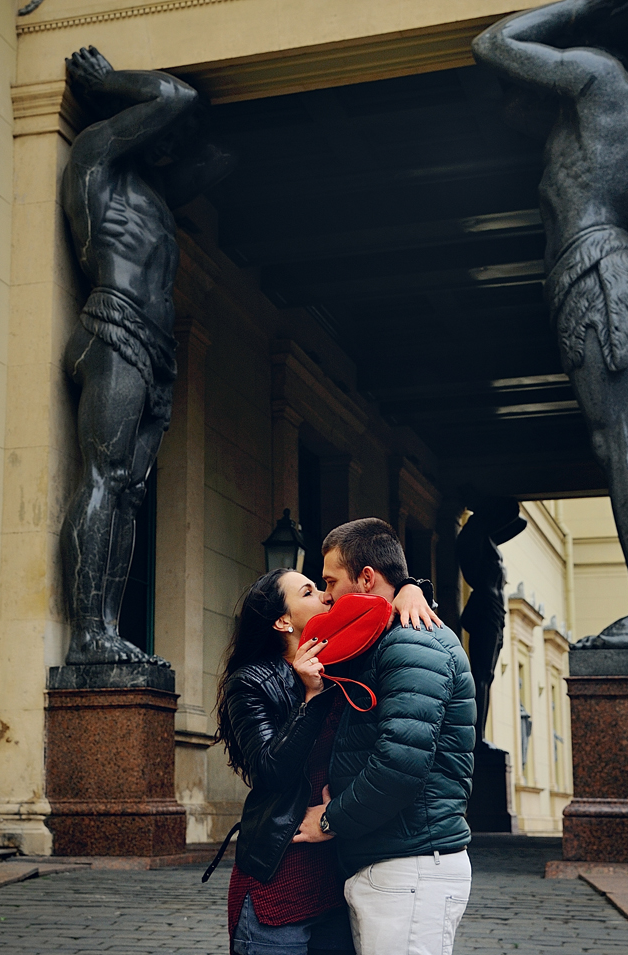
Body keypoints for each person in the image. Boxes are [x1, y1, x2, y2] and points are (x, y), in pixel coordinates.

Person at [473, 0, 628, 649]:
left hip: (595, 268)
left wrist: (578, 8)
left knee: (618, 440)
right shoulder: (605, 103)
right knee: (620, 439)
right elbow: (514, 106)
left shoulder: (596, 73)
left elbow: (494, 41)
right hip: (602, 266)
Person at [59, 46, 236, 665]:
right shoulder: (96, 159)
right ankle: (86, 633)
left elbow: (223, 153)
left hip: (155, 347)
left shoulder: (159, 197)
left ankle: (106, 630)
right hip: (113, 324)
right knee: (105, 477)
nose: (173, 140)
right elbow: (174, 97)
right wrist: (109, 83)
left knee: (130, 491)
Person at [214, 568, 437, 955]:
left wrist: (410, 589)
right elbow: (270, 770)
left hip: (340, 882)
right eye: (308, 592)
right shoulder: (251, 682)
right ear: (283, 621)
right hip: (278, 880)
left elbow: (393, 623)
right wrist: (311, 698)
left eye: (322, 587)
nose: (324, 596)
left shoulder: (346, 663)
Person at [294, 518, 475, 955]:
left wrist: (330, 818)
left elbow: (400, 764)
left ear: (367, 577)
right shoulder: (390, 636)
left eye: (331, 581)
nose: (325, 595)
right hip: (396, 863)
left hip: (410, 867)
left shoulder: (410, 641)